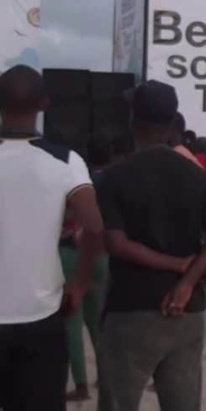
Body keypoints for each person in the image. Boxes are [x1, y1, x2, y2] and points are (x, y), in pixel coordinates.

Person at [95, 80, 206, 411]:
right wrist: (187, 280)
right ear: (173, 125)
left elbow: (117, 244)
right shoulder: (196, 175)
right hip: (186, 314)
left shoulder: (114, 177)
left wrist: (178, 267)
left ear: (133, 120)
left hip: (131, 310)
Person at [0, 65, 106, 411]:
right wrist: (79, 285)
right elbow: (93, 227)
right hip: (41, 318)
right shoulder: (66, 161)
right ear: (44, 104)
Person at [60, 134, 113, 402]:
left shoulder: (75, 182)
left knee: (72, 322)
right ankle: (106, 381)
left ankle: (80, 384)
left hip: (71, 255)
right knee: (98, 323)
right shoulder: (115, 181)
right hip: (101, 255)